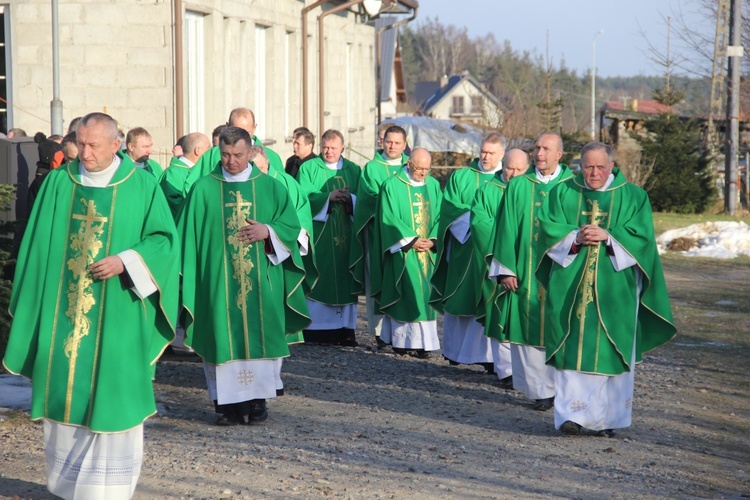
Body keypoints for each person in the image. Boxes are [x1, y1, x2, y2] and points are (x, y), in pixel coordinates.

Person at [2, 112, 180, 499]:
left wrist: (127, 260)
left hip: (117, 312)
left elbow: (165, 242)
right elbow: (35, 247)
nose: (84, 153)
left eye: (93, 145)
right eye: (80, 143)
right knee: (64, 396)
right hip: (61, 315)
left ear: (116, 144)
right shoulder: (58, 184)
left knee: (112, 394)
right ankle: (67, 486)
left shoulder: (141, 186)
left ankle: (108, 489)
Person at [536, 141, 676, 436]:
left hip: (616, 291)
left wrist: (609, 236)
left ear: (612, 166)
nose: (594, 173)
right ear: (580, 165)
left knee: (611, 350)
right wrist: (574, 237)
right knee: (572, 345)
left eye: (600, 167)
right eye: (588, 166)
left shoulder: (634, 197)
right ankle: (571, 416)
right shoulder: (563, 192)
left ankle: (607, 421)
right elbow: (547, 228)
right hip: (571, 286)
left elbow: (643, 239)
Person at [180, 126, 310, 426]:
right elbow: (187, 238)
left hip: (261, 282)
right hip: (217, 283)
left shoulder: (271, 187)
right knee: (219, 337)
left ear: (250, 151)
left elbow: (291, 227)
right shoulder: (203, 189)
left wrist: (269, 231)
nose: (231, 161)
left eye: (237, 155)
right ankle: (224, 405)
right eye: (225, 155)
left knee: (260, 335)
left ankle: (258, 400)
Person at [488, 132, 572, 411]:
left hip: (563, 272)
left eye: (546, 149)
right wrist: (505, 269)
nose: (539, 153)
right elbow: (506, 227)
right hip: (525, 270)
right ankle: (541, 391)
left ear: (559, 154)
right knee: (528, 326)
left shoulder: (572, 185)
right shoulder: (520, 186)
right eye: (537, 148)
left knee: (562, 326)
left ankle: (565, 388)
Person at [430, 132, 506, 373]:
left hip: (496, 251)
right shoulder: (461, 176)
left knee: (489, 298)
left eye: (491, 153)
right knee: (462, 298)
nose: (485, 156)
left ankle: (488, 357)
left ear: (502, 154)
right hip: (465, 250)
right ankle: (455, 352)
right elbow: (450, 208)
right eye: (483, 151)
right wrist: (477, 225)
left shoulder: (510, 179)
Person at [373, 148, 442, 358]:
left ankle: (425, 344)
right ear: (409, 163)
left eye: (426, 169)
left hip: (428, 253)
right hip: (404, 252)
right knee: (406, 294)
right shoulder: (391, 186)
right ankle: (401, 341)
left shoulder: (434, 185)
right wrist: (410, 240)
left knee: (425, 297)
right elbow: (388, 218)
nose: (423, 173)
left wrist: (432, 239)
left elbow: (442, 215)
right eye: (419, 168)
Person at [470, 148, 529, 386]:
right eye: (509, 168)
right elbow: (479, 222)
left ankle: (526, 370)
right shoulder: (487, 190)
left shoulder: (531, 191)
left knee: (524, 315)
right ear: (502, 165)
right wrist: (502, 254)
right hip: (496, 263)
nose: (513, 174)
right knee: (499, 312)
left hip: (526, 263)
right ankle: (505, 369)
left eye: (519, 169)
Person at [297, 129, 361, 346]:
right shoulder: (308, 168)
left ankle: (345, 330)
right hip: (320, 236)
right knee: (319, 277)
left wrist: (350, 198)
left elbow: (363, 198)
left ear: (343, 147)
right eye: (325, 147)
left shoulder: (354, 169)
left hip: (346, 235)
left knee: (345, 278)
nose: (329, 152)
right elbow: (303, 197)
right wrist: (327, 197)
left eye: (334, 148)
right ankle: (316, 331)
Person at [350, 125, 409, 347]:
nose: (392, 146)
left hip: (408, 237)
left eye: (397, 143)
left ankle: (407, 332)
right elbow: (368, 200)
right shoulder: (372, 168)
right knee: (380, 279)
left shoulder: (411, 166)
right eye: (388, 141)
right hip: (379, 236)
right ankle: (381, 332)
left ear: (405, 144)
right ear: (381, 142)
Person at [183, 108, 284, 195]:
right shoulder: (211, 156)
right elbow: (191, 189)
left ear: (255, 128)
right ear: (227, 126)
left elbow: (281, 191)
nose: (241, 138)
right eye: (236, 131)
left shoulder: (272, 157)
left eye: (246, 132)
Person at [159, 132, 211, 220]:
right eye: (208, 148)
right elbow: (174, 205)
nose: (210, 152)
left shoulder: (200, 170)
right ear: (197, 150)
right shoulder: (172, 174)